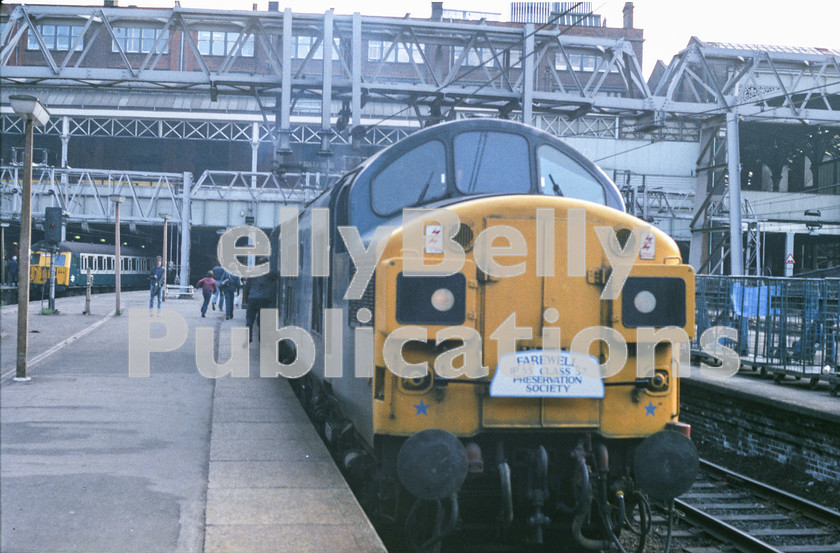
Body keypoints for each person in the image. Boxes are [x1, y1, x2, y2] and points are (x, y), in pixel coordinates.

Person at [243, 265, 274, 342]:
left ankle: (249, 336)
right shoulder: (269, 274)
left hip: (252, 298)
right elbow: (277, 274)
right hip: (264, 299)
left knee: (249, 319)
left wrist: (246, 299)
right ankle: (262, 337)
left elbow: (247, 287)